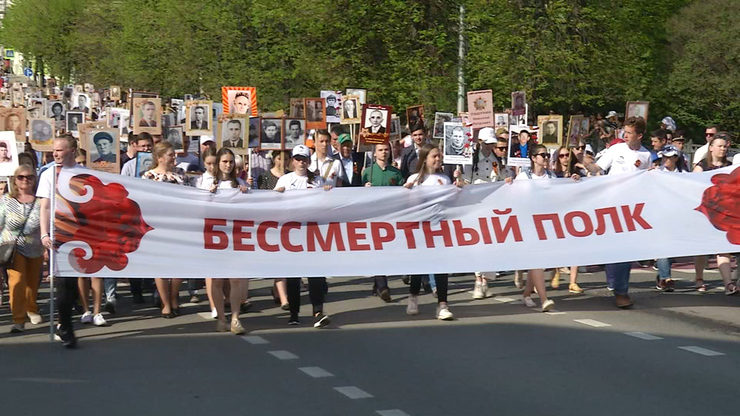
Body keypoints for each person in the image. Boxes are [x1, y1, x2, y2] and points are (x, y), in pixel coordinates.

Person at [583, 116, 651, 308]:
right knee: (614, 248)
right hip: (611, 205)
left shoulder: (646, 155)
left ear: (640, 135)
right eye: (624, 132)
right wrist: (585, 161)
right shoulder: (616, 149)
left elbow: (646, 180)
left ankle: (621, 290)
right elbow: (598, 167)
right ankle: (616, 285)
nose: (625, 136)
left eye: (629, 133)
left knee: (626, 251)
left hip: (632, 208)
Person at [274, 145, 332, 328]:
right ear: (292, 160)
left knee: (315, 274)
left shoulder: (317, 181)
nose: (301, 162)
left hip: (312, 232)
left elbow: (325, 203)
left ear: (308, 161)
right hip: (291, 233)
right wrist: (278, 195)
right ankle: (294, 313)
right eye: (298, 159)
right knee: (293, 276)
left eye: (304, 159)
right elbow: (272, 204)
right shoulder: (285, 179)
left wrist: (328, 192)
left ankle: (318, 312)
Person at [38, 135, 81, 348]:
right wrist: (44, 234)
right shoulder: (48, 174)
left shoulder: (83, 173)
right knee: (64, 283)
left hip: (79, 235)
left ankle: (66, 321)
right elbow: (44, 207)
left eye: (60, 150)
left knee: (74, 285)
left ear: (72, 150)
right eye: (54, 150)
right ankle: (66, 327)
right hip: (58, 236)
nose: (56, 154)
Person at [403, 144, 455, 320]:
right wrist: (409, 191)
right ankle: (413, 296)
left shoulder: (445, 179)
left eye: (439, 156)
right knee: (419, 265)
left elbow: (452, 202)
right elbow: (410, 206)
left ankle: (442, 304)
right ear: (425, 159)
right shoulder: (415, 179)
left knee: (441, 266)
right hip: (421, 228)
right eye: (434, 156)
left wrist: (459, 186)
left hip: (440, 227)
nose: (438, 159)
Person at [142, 142, 187, 317]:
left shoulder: (181, 174)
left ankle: (174, 295)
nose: (174, 157)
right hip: (158, 226)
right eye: (170, 154)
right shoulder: (149, 176)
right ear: (160, 157)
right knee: (160, 266)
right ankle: (166, 302)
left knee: (180, 266)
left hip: (179, 225)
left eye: (174, 154)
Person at [207, 148, 249, 334]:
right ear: (218, 163)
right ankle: (221, 318)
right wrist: (208, 194)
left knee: (236, 279)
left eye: (231, 162)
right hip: (215, 234)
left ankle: (235, 318)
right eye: (224, 161)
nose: (228, 165)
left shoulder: (239, 183)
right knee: (216, 280)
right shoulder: (207, 181)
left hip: (234, 234)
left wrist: (246, 193)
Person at [692, 132, 735, 295]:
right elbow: (692, 188)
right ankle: (699, 278)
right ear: (711, 148)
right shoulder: (701, 167)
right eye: (719, 146)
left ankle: (728, 283)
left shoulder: (729, 167)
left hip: (723, 213)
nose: (723, 149)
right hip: (705, 213)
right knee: (702, 249)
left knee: (723, 248)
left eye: (725, 146)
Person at [1, 165, 43, 333]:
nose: (25, 180)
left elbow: (45, 225)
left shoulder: (41, 201)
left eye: (30, 177)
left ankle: (31, 308)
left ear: (35, 180)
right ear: (15, 180)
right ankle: (18, 319)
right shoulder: (5, 200)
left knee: (32, 283)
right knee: (17, 281)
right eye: (21, 177)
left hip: (35, 247)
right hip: (12, 247)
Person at [257, 150, 290, 309]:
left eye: (285, 158)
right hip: (272, 222)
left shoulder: (290, 176)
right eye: (279, 158)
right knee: (278, 259)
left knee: (285, 259)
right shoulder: (265, 176)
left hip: (289, 222)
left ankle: (279, 291)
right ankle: (282, 295)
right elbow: (262, 198)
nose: (282, 161)